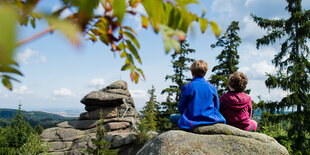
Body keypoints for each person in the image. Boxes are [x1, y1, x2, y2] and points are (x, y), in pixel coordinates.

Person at [169, 60, 226, 130]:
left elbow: (181, 107)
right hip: (210, 119)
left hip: (192, 120)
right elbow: (217, 106)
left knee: (172, 117)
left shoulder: (187, 87)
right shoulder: (212, 87)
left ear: (192, 72)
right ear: (205, 73)